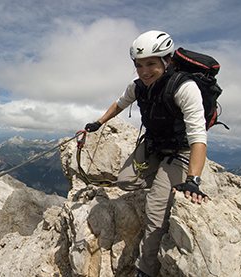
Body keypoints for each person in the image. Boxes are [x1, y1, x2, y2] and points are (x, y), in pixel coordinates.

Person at [84, 30, 209, 277]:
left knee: (155, 209)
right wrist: (99, 123)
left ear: (167, 60)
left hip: (180, 151)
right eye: (139, 65)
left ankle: (146, 268)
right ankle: (165, 180)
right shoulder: (138, 86)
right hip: (153, 145)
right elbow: (119, 104)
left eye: (151, 63)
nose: (144, 71)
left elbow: (198, 136)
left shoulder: (185, 87)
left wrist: (193, 180)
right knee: (125, 180)